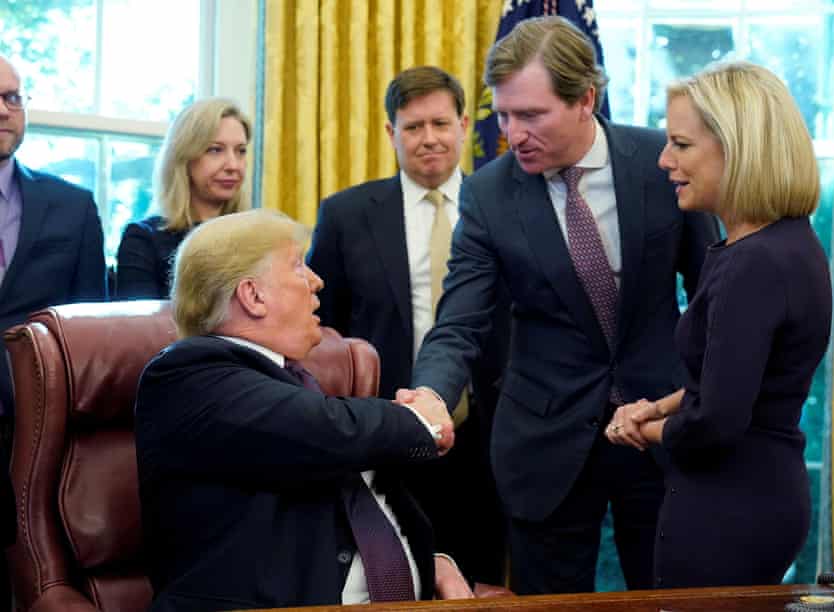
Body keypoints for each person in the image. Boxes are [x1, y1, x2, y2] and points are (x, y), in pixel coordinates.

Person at [400, 16, 721, 595]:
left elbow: (711, 294)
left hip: (657, 428)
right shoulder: (490, 193)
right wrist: (431, 393)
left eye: (530, 115)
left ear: (585, 100)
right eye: (502, 115)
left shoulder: (661, 164)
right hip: (544, 447)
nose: (512, 133)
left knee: (672, 599)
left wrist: (702, 397)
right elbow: (461, 320)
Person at [134, 209, 473, 611]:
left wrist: (431, 563)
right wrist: (421, 420)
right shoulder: (188, 375)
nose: (317, 281)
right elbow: (329, 430)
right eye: (298, 266)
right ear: (253, 295)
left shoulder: (293, 382)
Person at [605, 61, 832, 588]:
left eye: (681, 145)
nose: (664, 161)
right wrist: (657, 407)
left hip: (729, 509)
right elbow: (726, 381)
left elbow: (716, 422)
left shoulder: (753, 263)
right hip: (760, 493)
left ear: (738, 147)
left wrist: (637, 430)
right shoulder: (787, 241)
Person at [307, 65, 509, 586]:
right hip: (388, 432)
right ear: (390, 132)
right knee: (398, 577)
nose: (429, 139)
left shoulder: (509, 209)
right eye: (413, 126)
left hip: (494, 432)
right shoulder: (346, 215)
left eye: (440, 123)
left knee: (483, 577)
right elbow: (320, 333)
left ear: (465, 125)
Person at [0, 54, 106, 608]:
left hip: (38, 436)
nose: (5, 109)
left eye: (14, 98)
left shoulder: (72, 206)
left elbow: (90, 334)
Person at [115, 97, 251, 298]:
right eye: (215, 150)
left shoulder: (259, 238)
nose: (233, 165)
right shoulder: (143, 239)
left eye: (240, 151)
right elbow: (140, 328)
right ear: (183, 158)